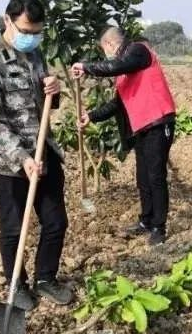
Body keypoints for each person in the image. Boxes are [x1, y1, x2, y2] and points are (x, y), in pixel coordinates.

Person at [0, 0, 72, 308]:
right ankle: (16, 285)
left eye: (36, 33)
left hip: (44, 148)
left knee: (55, 221)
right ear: (8, 21)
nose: (31, 38)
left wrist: (54, 92)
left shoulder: (36, 55)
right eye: (26, 31)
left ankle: (46, 278)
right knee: (14, 228)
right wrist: (23, 158)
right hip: (7, 161)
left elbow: (47, 103)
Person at [71, 26, 176, 246]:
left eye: (105, 51)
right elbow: (117, 104)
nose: (106, 56)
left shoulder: (138, 50)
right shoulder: (126, 73)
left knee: (156, 177)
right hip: (142, 128)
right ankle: (146, 220)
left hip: (158, 122)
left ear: (109, 45)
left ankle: (159, 226)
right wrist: (91, 116)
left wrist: (87, 67)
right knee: (143, 177)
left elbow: (115, 65)